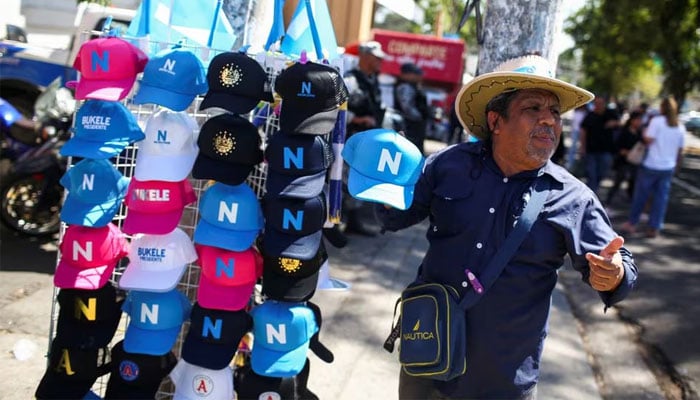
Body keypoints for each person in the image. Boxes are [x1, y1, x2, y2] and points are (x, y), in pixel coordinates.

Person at [375, 54, 638, 399]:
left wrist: (615, 273)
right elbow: (395, 217)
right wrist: (379, 184)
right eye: (533, 108)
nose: (549, 120)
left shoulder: (574, 198)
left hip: (502, 379)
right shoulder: (448, 164)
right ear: (496, 121)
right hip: (428, 358)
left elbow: (621, 270)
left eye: (555, 112)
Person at [620, 96, 685, 238]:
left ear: (662, 107)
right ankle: (654, 227)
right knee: (660, 199)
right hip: (668, 166)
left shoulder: (657, 121)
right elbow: (680, 150)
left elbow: (648, 140)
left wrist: (644, 132)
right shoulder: (679, 126)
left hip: (651, 164)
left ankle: (632, 223)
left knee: (640, 196)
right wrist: (677, 165)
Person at [340, 41, 387, 236]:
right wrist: (357, 118)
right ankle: (337, 222)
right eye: (376, 58)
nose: (379, 62)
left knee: (359, 178)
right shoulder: (351, 80)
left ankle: (353, 220)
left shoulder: (373, 80)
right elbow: (338, 108)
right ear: (365, 56)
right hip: (351, 137)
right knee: (344, 179)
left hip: (368, 139)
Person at [579, 96, 620, 194]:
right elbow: (583, 131)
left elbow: (620, 123)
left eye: (600, 103)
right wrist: (582, 147)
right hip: (591, 150)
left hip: (606, 150)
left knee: (602, 173)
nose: (598, 106)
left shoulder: (610, 114)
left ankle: (593, 191)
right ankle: (590, 194)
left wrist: (614, 123)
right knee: (591, 175)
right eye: (596, 103)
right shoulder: (590, 116)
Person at [605, 110, 644, 205]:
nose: (639, 122)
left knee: (633, 184)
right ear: (632, 120)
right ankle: (608, 203)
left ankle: (632, 205)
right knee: (617, 183)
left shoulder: (640, 133)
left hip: (635, 162)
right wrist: (623, 151)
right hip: (623, 162)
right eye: (637, 120)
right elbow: (617, 145)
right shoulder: (624, 131)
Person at [393, 62, 430, 154]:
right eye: (416, 74)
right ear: (407, 74)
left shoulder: (413, 86)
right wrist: (420, 117)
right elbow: (407, 107)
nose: (419, 77)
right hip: (409, 127)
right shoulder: (405, 87)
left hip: (414, 127)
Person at [565, 104, 589, 171]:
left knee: (583, 149)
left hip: (583, 132)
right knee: (573, 148)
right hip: (575, 131)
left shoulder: (586, 113)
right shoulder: (576, 112)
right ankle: (570, 164)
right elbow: (573, 123)